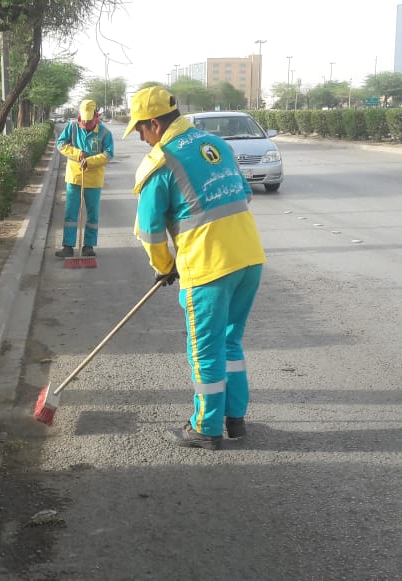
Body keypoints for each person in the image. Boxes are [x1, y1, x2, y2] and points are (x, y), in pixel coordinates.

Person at [123, 86, 267, 450]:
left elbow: (150, 231)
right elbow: (243, 195)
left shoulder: (161, 161)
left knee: (204, 349)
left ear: (154, 124)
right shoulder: (215, 143)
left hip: (209, 267)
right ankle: (235, 419)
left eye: (140, 129)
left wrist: (165, 266)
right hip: (249, 257)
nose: (140, 136)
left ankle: (205, 426)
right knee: (229, 341)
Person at [55, 99, 114, 258]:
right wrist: (77, 153)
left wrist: (90, 161)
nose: (86, 122)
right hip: (74, 177)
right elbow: (60, 144)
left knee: (93, 214)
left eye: (89, 119)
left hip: (94, 179)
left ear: (96, 115)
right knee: (71, 213)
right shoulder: (72, 127)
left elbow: (109, 154)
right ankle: (68, 246)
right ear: (79, 115)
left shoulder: (104, 132)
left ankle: (88, 246)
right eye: (84, 118)